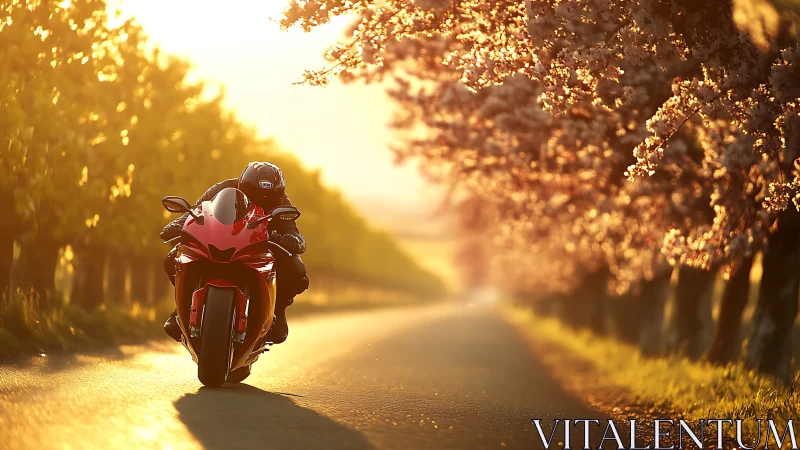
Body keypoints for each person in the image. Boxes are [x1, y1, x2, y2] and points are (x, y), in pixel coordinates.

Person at [159, 162, 309, 344]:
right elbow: (197, 209)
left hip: (259, 249)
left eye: (267, 200)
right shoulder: (223, 188)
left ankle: (277, 311)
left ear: (277, 195)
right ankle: (180, 309)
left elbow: (292, 231)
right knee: (173, 259)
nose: (261, 201)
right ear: (243, 185)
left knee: (296, 271)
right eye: (254, 196)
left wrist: (292, 240)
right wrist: (176, 224)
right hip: (218, 239)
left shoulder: (282, 201)